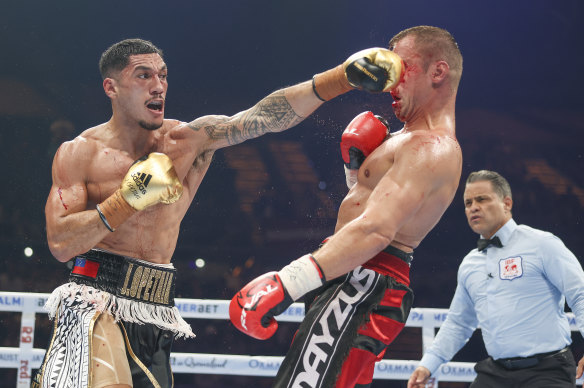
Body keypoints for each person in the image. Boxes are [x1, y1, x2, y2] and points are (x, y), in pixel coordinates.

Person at [33, 38, 405, 388]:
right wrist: (126, 200)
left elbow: (263, 117)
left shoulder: (187, 141)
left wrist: (341, 77)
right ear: (111, 88)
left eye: (162, 74)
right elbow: (62, 243)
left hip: (155, 308)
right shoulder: (79, 153)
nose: (158, 85)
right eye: (143, 75)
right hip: (94, 303)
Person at [229, 25, 463, 387]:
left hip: (364, 279)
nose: (390, 82)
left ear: (438, 71)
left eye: (403, 68)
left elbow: (377, 229)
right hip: (353, 273)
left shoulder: (431, 147)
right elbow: (365, 211)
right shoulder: (404, 140)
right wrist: (355, 173)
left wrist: (287, 283)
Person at [408, 170, 584, 388]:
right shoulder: (470, 264)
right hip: (496, 373)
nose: (473, 207)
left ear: (506, 203)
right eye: (468, 202)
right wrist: (428, 365)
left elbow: (580, 294)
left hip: (548, 371)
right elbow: (459, 322)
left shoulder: (542, 244)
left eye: (482, 199)